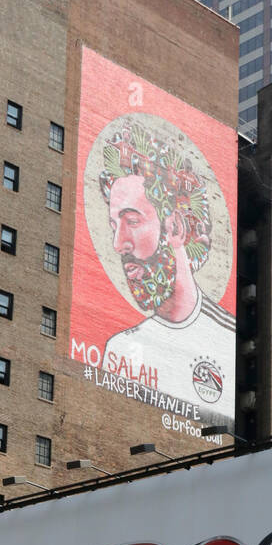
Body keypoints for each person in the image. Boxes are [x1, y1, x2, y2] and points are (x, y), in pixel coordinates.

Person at [96, 123, 235, 423]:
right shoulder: (119, 351)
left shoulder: (230, 341)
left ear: (176, 228)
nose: (118, 244)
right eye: (113, 226)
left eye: (131, 221)